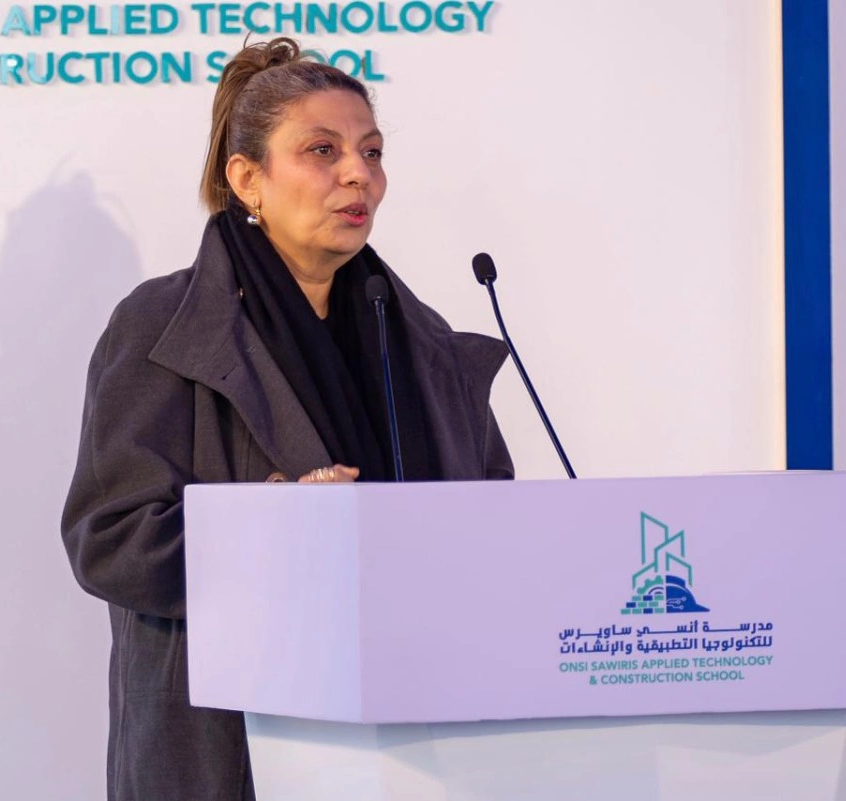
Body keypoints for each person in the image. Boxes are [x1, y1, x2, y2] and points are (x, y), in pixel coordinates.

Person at [60, 37, 513, 800]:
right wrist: (271, 528)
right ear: (247, 179)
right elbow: (110, 540)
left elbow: (492, 517)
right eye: (322, 150)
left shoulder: (420, 339)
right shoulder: (163, 325)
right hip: (234, 751)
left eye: (371, 151)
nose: (358, 173)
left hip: (413, 745)